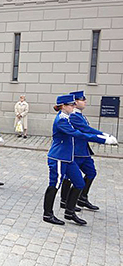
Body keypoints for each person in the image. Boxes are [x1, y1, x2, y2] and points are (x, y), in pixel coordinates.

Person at [43, 94, 117, 225]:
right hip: (59, 157)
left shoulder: (67, 119)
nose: (73, 106)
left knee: (79, 183)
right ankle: (48, 214)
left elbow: (83, 130)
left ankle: (69, 212)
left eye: (73, 104)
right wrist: (102, 140)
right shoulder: (61, 120)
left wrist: (101, 135)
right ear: (63, 106)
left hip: (68, 157)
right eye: (71, 105)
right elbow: (77, 134)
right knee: (54, 184)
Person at [60, 91, 117, 211]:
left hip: (84, 151)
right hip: (75, 151)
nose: (85, 101)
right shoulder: (74, 115)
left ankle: (82, 198)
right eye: (82, 100)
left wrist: (103, 135)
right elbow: (86, 129)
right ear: (75, 102)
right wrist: (103, 136)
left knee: (91, 173)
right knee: (70, 177)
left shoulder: (79, 115)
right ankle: (65, 201)